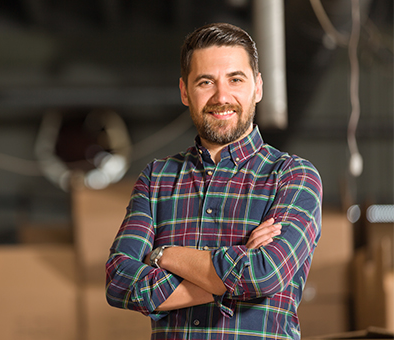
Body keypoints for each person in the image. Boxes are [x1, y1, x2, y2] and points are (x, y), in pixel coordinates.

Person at [105, 22, 322, 340]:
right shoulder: (157, 179)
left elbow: (265, 274)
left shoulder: (293, 177)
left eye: (236, 79)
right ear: (184, 91)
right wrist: (237, 262)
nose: (222, 96)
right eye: (206, 82)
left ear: (258, 87)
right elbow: (119, 281)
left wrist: (163, 255)